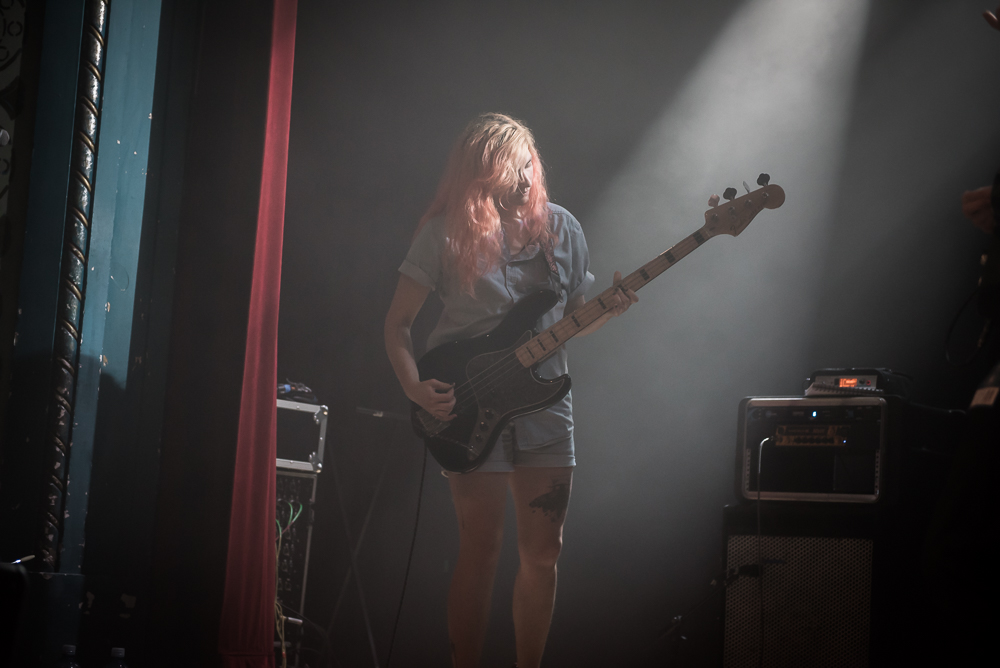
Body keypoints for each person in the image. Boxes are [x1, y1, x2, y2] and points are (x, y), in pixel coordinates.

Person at [384, 113, 637, 668]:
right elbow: (398, 324)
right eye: (509, 170)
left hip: (546, 406)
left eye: (528, 165)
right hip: (466, 401)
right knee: (482, 549)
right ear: (480, 175)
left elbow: (574, 320)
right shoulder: (445, 233)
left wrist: (609, 310)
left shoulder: (562, 229)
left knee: (544, 553)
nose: (524, 179)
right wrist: (414, 387)